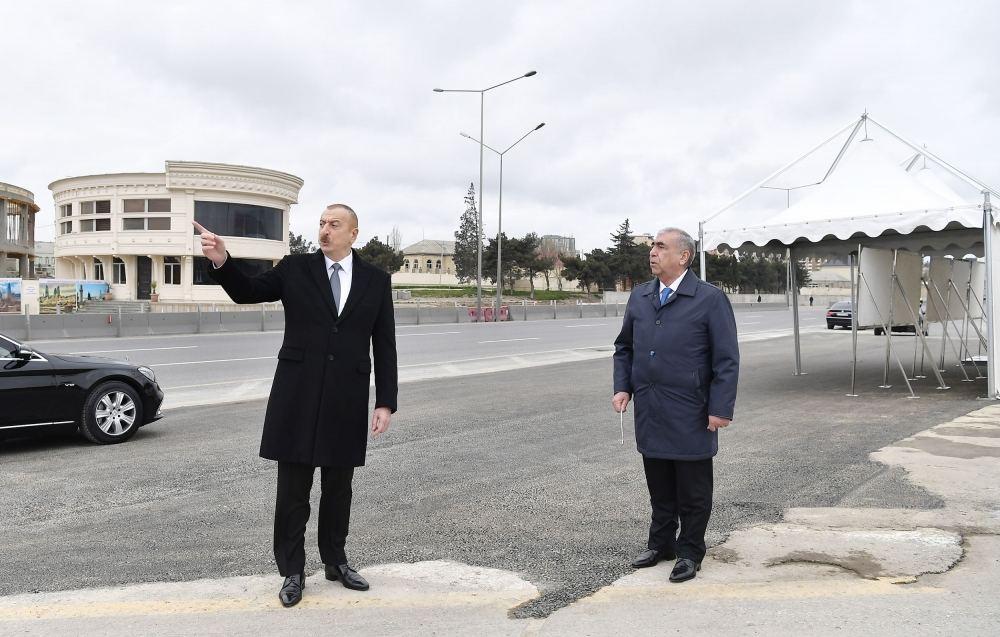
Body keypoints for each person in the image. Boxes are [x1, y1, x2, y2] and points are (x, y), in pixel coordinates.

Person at [194, 203, 397, 607]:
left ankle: (336, 562)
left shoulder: (376, 280)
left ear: (353, 233)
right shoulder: (295, 269)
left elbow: (384, 343)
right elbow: (249, 291)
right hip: (298, 393)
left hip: (347, 396)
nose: (325, 230)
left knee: (339, 487)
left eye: (334, 224)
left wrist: (385, 402)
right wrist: (222, 262)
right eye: (321, 223)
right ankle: (292, 571)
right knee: (293, 490)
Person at [612, 227, 739, 583]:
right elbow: (624, 348)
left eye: (661, 247)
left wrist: (720, 408)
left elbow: (726, 359)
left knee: (693, 489)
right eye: (652, 246)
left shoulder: (709, 299)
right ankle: (661, 543)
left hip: (692, 409)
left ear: (683, 256)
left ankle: (690, 551)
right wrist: (623, 387)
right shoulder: (640, 297)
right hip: (651, 407)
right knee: (660, 484)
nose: (652, 252)